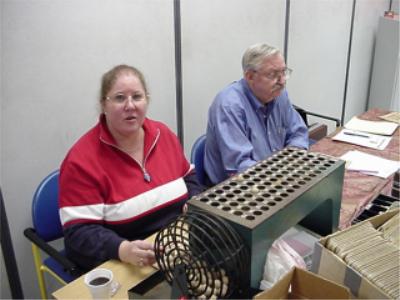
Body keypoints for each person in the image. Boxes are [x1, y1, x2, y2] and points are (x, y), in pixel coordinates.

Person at [59, 64, 203, 271]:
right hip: (125, 263)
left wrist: (194, 199)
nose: (130, 105)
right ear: (103, 105)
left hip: (178, 245)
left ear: (147, 100)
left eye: (137, 97)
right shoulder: (81, 161)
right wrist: (121, 249)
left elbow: (189, 177)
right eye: (119, 98)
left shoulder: (163, 134)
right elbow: (79, 233)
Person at [204, 43, 309, 185]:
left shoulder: (279, 95)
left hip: (274, 179)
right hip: (236, 189)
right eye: (273, 75)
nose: (282, 81)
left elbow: (298, 133)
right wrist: (279, 175)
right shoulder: (229, 106)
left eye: (283, 72)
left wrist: (291, 162)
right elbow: (241, 167)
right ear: (250, 76)